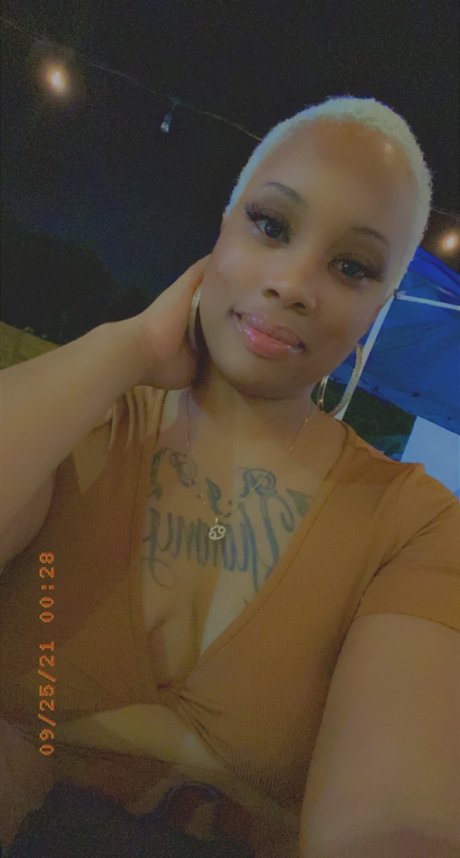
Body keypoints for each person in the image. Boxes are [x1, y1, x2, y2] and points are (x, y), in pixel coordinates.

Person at [1, 95, 459, 857]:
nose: (293, 283)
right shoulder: (78, 420)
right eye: (271, 226)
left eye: (351, 266)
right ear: (222, 229)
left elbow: (393, 825)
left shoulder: (415, 523)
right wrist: (126, 348)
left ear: (377, 306)